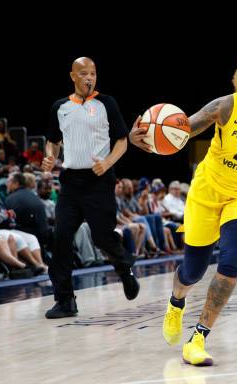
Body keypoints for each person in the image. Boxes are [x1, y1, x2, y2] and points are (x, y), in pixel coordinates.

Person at [129, 44, 237, 366]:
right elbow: (180, 132)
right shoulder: (226, 107)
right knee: (192, 271)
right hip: (208, 192)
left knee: (232, 259)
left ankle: (198, 338)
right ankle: (175, 302)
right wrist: (142, 141)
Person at [42, 57, 139, 319]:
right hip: (71, 182)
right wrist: (50, 156)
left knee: (102, 237)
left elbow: (122, 140)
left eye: (93, 73)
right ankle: (65, 300)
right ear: (72, 76)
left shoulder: (107, 103)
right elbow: (52, 141)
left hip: (100, 181)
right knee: (61, 238)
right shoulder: (59, 107)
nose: (89, 77)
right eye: (84, 73)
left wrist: (106, 163)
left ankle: (124, 269)